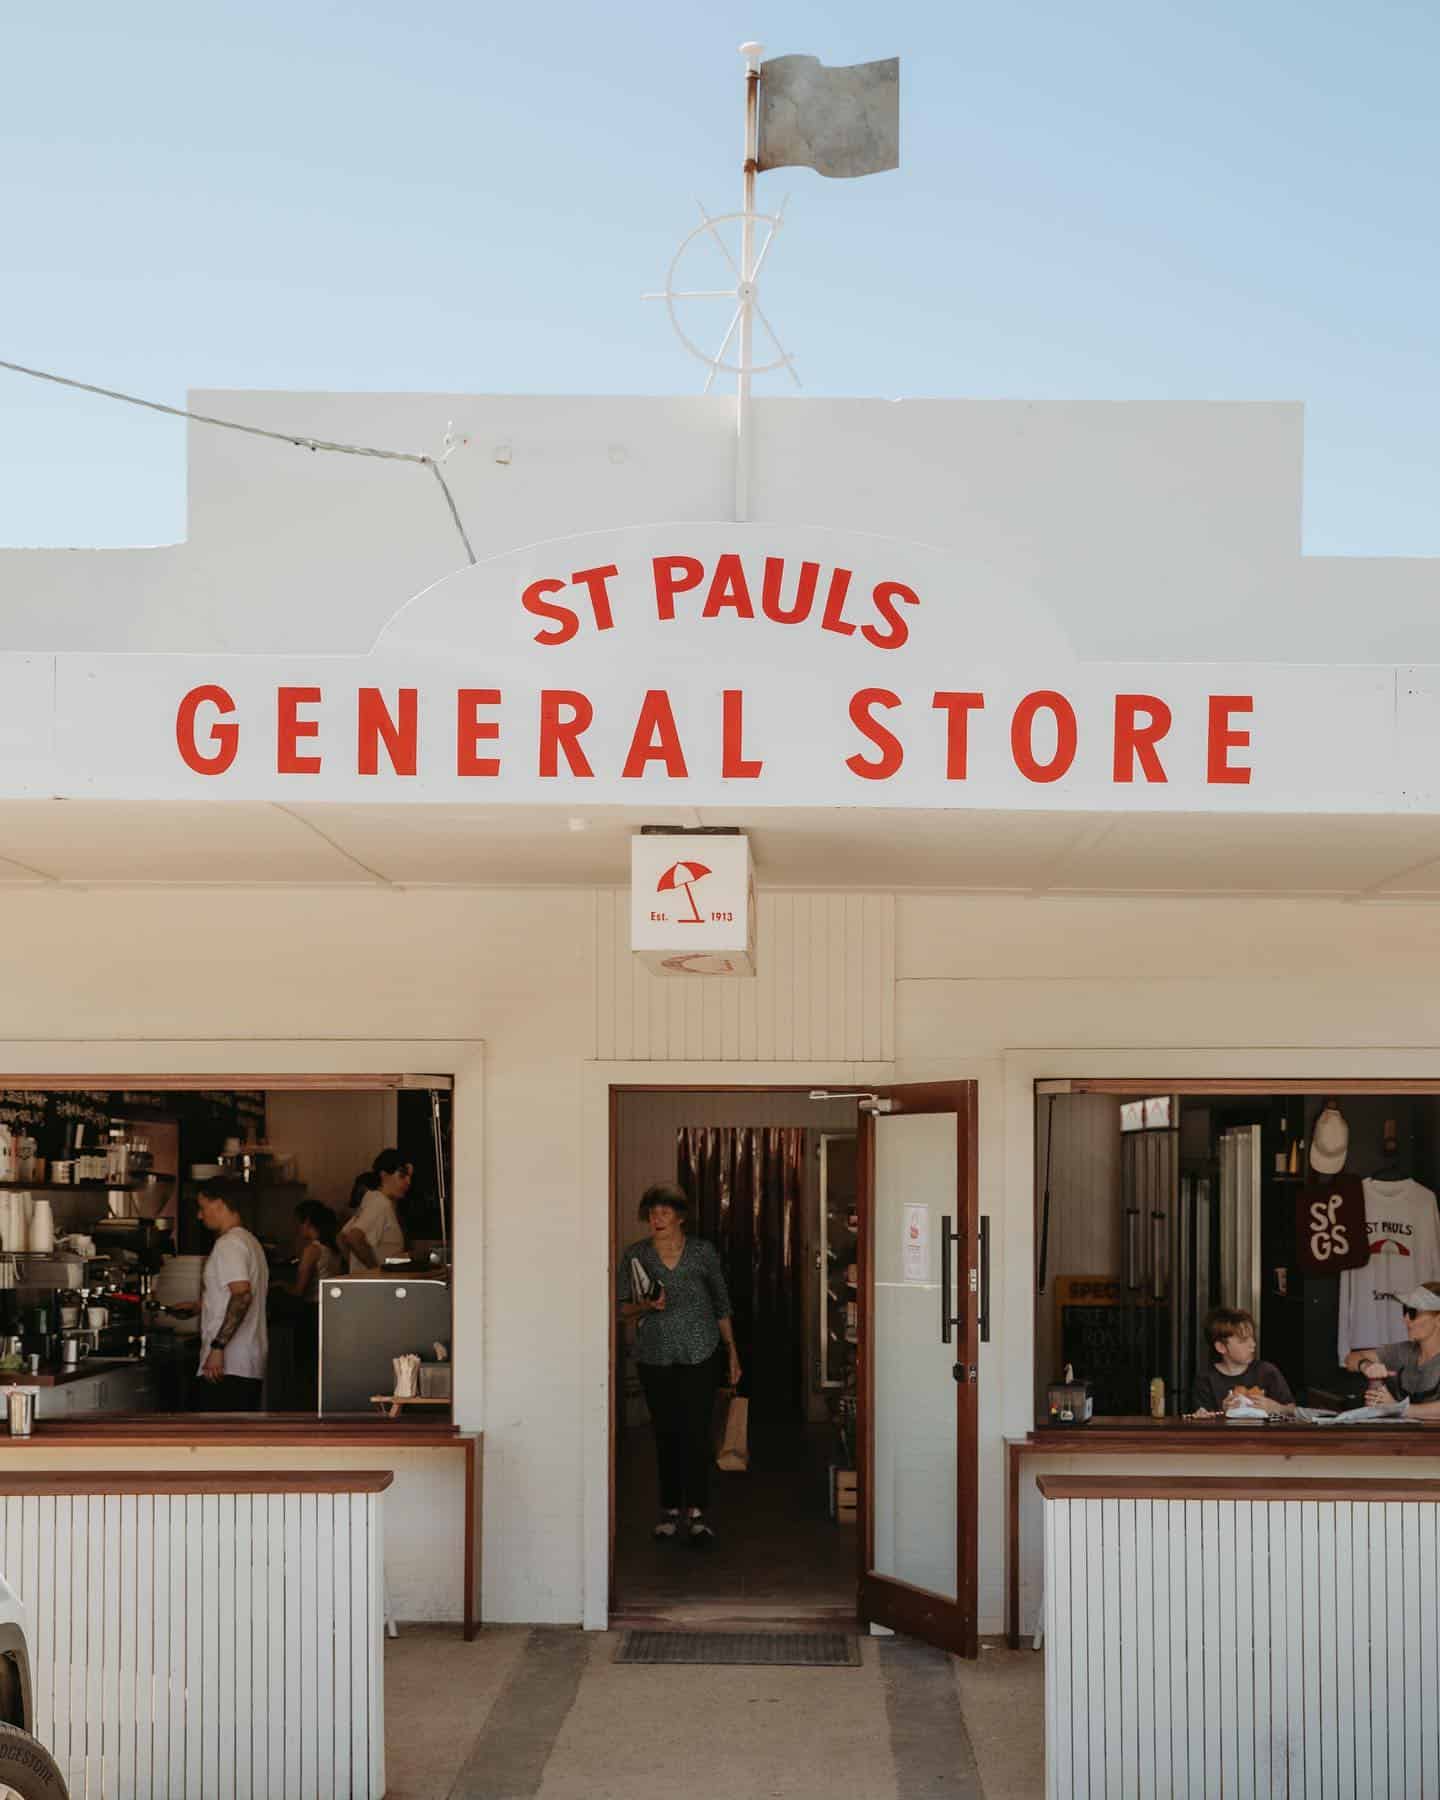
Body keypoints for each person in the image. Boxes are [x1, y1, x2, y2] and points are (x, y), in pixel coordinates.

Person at [617, 1182, 741, 1548]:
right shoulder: (635, 1255)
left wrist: (733, 1351)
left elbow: (721, 1304)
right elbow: (621, 1308)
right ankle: (670, 1510)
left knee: (697, 1432)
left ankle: (698, 1513)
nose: (657, 1218)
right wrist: (646, 1306)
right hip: (655, 1356)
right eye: (652, 1213)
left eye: (665, 1212)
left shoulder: (703, 1253)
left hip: (701, 1352)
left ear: (681, 1217)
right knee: (666, 1433)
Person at [185, 1184, 268, 1411]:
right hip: (245, 1362)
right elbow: (233, 1294)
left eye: (202, 1207)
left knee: (219, 1440)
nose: (199, 1215)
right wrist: (199, 1307)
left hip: (228, 1366)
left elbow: (241, 1296)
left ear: (219, 1203)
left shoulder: (228, 1244)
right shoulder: (249, 1241)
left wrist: (218, 1348)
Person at [1346, 1283, 1440, 1414]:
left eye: (1413, 1313)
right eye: (1405, 1311)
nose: (1405, 1319)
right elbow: (1351, 1359)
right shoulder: (1403, 1351)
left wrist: (1397, 1409)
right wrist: (1366, 1366)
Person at [1191, 1306, 1295, 1417]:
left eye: (1252, 1338)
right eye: (1243, 1341)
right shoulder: (1206, 1379)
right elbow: (1201, 1421)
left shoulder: (1267, 1372)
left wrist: (1276, 1407)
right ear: (1221, 1347)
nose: (1253, 1345)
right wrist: (1222, 1412)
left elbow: (1292, 1410)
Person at [340, 1148, 408, 1274]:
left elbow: (343, 1235)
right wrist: (376, 1271)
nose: (408, 1182)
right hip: (373, 1288)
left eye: (410, 1177)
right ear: (384, 1175)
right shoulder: (380, 1203)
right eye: (402, 1175)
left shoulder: (374, 1200)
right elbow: (353, 1238)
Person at [283, 1200, 345, 1303]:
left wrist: (283, 1286)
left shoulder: (312, 1250)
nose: (297, 1228)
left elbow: (299, 1291)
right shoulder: (333, 1248)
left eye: (298, 1223)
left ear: (307, 1222)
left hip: (314, 1308)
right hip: (332, 1304)